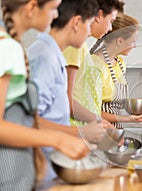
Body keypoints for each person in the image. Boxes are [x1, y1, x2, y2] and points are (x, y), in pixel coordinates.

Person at [0, 0, 90, 190]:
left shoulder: (11, 45)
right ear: (32, 7)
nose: (56, 15)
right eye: (53, 8)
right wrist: (59, 139)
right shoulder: (8, 48)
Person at [27, 0, 107, 183]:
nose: (89, 31)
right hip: (37, 170)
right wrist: (81, 132)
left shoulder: (53, 54)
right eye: (88, 24)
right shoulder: (44, 57)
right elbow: (30, 121)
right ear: (76, 22)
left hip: (50, 167)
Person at [63, 0, 124, 126]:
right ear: (100, 15)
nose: (110, 28)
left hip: (83, 127)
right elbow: (67, 100)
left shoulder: (82, 46)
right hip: (73, 127)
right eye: (111, 21)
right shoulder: (75, 46)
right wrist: (99, 121)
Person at [87, 12, 142, 129]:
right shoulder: (95, 66)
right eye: (133, 41)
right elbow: (90, 110)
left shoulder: (119, 62)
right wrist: (127, 119)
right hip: (97, 128)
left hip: (114, 128)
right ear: (120, 41)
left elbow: (113, 101)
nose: (135, 46)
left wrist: (135, 103)